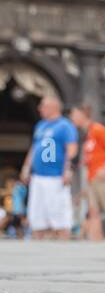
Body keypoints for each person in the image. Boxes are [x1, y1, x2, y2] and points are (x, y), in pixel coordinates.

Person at [19, 95, 78, 239]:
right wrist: (26, 167)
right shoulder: (40, 126)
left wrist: (68, 171)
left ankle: (63, 252)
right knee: (37, 219)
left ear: (53, 107)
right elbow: (34, 148)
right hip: (38, 177)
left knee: (60, 218)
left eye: (43, 105)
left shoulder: (65, 126)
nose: (39, 108)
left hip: (56, 177)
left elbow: (72, 150)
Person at [69, 102, 105, 239]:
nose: (71, 117)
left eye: (74, 114)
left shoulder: (98, 129)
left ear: (83, 114)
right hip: (93, 178)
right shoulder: (89, 134)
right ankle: (95, 243)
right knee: (93, 211)